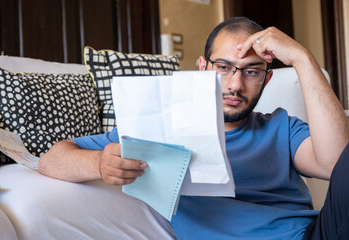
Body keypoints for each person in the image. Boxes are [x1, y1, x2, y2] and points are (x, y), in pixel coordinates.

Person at [39, 17, 349, 239]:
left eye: (251, 72)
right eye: (224, 68)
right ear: (203, 67)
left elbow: (339, 163)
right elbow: (50, 158)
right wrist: (97, 162)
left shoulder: (282, 127)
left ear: (267, 79)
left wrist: (302, 58)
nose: (235, 84)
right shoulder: (160, 126)